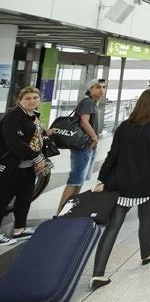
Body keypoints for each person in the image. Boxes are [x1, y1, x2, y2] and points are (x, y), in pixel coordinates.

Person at [90, 89, 150, 290]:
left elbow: (112, 155)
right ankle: (146, 253)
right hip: (147, 183)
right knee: (146, 219)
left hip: (120, 183)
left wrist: (101, 179)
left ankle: (98, 274)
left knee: (113, 226)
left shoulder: (124, 127)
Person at [0, 87, 51, 245]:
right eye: (28, 98)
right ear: (19, 100)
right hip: (10, 167)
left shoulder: (33, 117)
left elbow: (35, 138)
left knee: (24, 199)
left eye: (35, 97)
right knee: (2, 199)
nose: (32, 101)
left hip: (27, 168)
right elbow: (15, 144)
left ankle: (19, 230)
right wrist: (37, 157)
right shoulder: (12, 117)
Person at [57, 79, 105, 214]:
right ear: (90, 89)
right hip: (83, 145)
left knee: (79, 181)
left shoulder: (93, 103)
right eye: (97, 87)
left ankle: (69, 210)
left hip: (87, 146)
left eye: (103, 87)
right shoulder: (88, 102)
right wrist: (94, 138)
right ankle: (61, 212)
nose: (101, 90)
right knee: (75, 180)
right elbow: (84, 122)